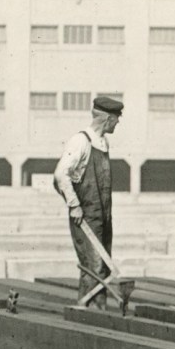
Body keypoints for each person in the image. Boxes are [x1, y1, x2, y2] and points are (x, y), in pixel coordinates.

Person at [54, 93, 124, 300]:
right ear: (108, 119)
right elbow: (60, 175)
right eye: (117, 118)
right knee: (93, 266)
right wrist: (74, 205)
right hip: (86, 217)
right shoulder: (80, 141)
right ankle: (89, 312)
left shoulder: (103, 143)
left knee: (102, 266)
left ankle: (97, 311)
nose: (118, 122)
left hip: (104, 216)